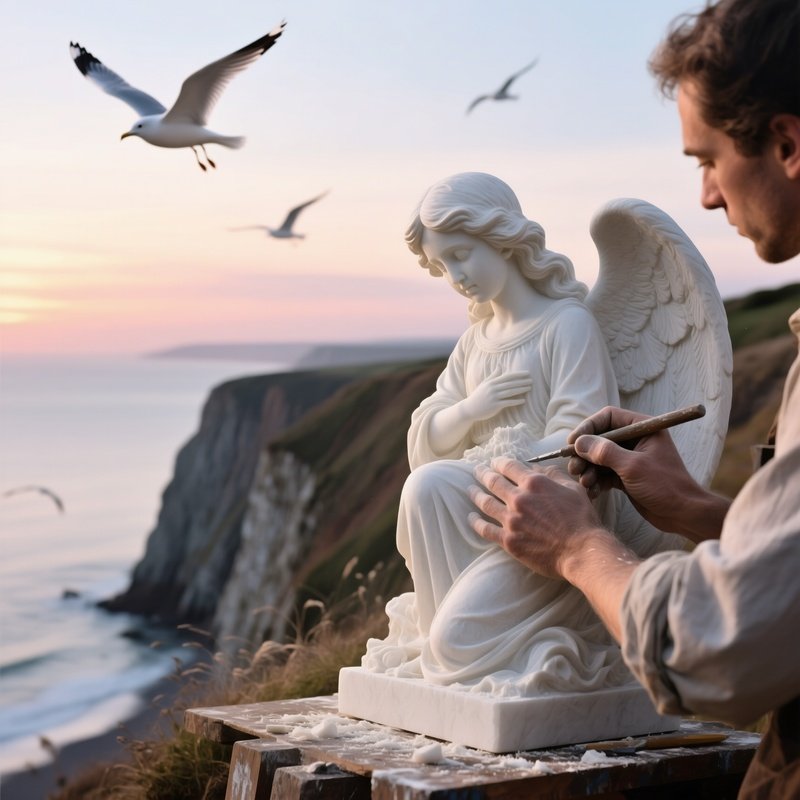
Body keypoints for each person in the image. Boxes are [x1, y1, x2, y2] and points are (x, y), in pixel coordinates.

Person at [468, 0, 800, 795]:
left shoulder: (566, 327)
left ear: (787, 145)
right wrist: (699, 510)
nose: (708, 195)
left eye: (708, 159)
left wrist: (578, 549)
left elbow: (719, 650)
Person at [362, 171, 643, 695]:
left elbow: (583, 440)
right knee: (425, 485)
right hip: (483, 510)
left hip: (547, 520)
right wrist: (472, 410)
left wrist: (503, 456)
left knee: (456, 646)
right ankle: (442, 637)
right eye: (443, 266)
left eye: (461, 255)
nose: (455, 275)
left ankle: (461, 648)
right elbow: (427, 434)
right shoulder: (475, 342)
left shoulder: (566, 325)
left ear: (503, 238)